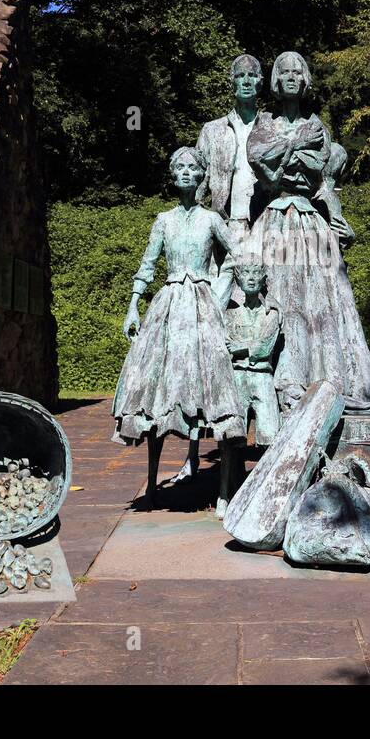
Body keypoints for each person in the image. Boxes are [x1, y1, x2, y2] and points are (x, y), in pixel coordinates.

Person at [246, 51, 370, 415]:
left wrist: (339, 221)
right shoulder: (263, 124)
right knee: (276, 297)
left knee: (323, 303)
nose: (292, 77)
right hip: (274, 219)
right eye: (285, 71)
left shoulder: (318, 128)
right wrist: (292, 156)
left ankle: (325, 384)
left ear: (305, 79)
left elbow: (320, 181)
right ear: (276, 79)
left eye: (298, 71)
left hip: (310, 221)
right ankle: (278, 388)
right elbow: (267, 173)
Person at [113, 146, 245, 506]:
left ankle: (222, 492)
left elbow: (239, 255)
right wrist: (132, 307)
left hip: (203, 307)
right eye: (180, 168)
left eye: (192, 168)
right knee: (157, 383)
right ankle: (153, 483)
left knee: (212, 383)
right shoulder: (163, 220)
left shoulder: (211, 220)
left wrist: (220, 293)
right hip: (169, 305)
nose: (186, 173)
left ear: (201, 175)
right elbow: (147, 265)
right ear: (173, 176)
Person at [196, 54, 270, 297]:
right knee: (221, 297)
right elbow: (198, 183)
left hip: (266, 225)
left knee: (267, 296)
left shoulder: (272, 126)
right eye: (240, 76)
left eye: (251, 76)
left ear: (260, 82)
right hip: (226, 225)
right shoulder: (212, 130)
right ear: (232, 82)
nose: (246, 81)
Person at [220, 262, 282, 517]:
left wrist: (242, 348)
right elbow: (225, 345)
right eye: (245, 273)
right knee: (230, 437)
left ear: (263, 278)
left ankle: (266, 492)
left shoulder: (273, 313)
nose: (251, 279)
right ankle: (224, 494)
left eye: (256, 274)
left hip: (262, 378)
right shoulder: (229, 313)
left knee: (271, 436)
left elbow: (265, 348)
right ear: (237, 279)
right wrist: (246, 348)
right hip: (236, 378)